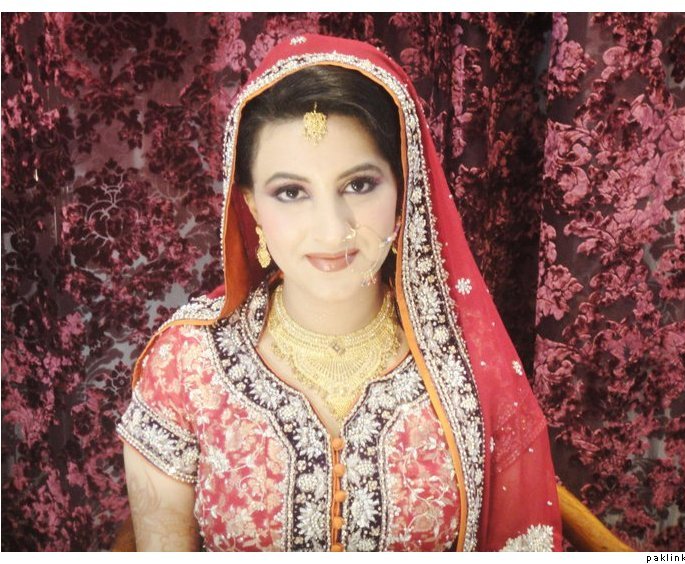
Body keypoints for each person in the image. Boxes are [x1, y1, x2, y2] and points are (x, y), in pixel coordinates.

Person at [116, 33, 562, 552]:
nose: (332, 231)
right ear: (251, 206)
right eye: (291, 192)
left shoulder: (469, 367)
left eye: (358, 185)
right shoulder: (187, 366)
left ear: (405, 190)